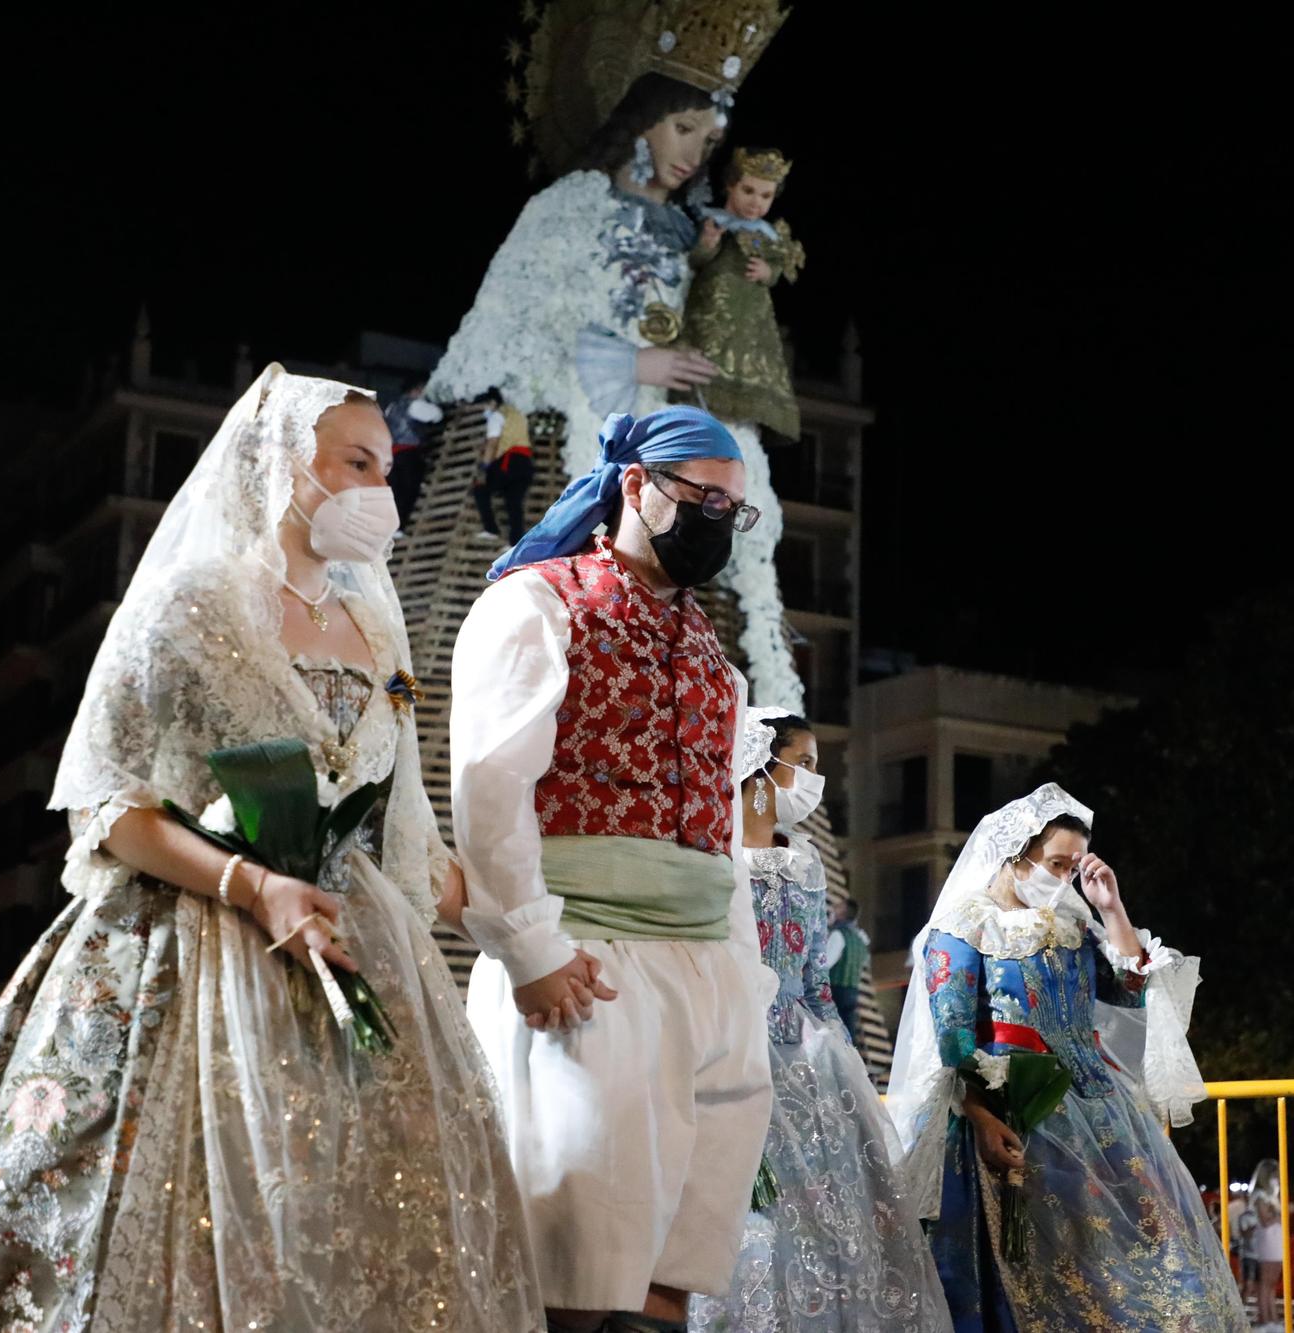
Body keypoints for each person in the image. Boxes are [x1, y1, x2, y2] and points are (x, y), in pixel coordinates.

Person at [0, 367, 543, 1332]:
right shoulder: (193, 604)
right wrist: (251, 884)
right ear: (280, 463)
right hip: (196, 940)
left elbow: (406, 830)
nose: (377, 490)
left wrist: (532, 944)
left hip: (360, 949)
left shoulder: (378, 629)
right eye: (353, 462)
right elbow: (105, 800)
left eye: (386, 467)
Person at [453, 406, 773, 1332]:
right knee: (577, 1264)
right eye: (702, 496)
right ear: (634, 483)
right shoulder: (539, 600)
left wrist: (742, 975)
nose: (718, 517)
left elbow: (719, 822)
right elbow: (488, 784)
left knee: (674, 1268)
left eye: (733, 506)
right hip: (590, 960)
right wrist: (529, 949)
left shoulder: (711, 650)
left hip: (706, 968)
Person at [429, 3, 804, 713]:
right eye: (684, 128)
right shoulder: (572, 205)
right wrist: (632, 367)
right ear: (642, 119)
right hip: (568, 443)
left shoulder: (693, 231)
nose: (696, 152)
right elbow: (507, 327)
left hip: (684, 467)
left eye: (709, 136)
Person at [885, 783, 1245, 1332]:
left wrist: (1112, 906)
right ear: (1017, 855)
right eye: (1056, 862)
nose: (1063, 877)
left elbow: (1130, 987)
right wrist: (983, 1116)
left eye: (1073, 866)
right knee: (1038, 1268)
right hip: (1011, 1111)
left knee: (1146, 1253)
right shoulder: (963, 927)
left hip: (1098, 1109)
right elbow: (953, 1040)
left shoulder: (1073, 924)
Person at [687, 710, 950, 1332]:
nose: (813, 780)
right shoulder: (709, 855)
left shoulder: (805, 862)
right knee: (749, 1226)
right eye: (802, 765)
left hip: (807, 1067)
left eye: (815, 766)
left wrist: (840, 1059)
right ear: (757, 767)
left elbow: (813, 980)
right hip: (727, 1056)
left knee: (830, 1227)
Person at [676, 146, 806, 440]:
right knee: (705, 370)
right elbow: (695, 262)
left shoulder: (767, 235)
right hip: (713, 309)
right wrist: (707, 244)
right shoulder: (714, 221)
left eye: (765, 196)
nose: (755, 203)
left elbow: (777, 270)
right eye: (748, 190)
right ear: (730, 185)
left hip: (750, 321)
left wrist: (767, 272)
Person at [475, 388, 536, 544]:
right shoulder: (518, 415)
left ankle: (491, 529)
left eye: (485, 405)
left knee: (480, 489)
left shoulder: (497, 416)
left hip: (509, 462)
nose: (484, 409)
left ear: (493, 403)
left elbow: (492, 443)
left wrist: (485, 466)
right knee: (513, 502)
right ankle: (514, 543)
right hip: (525, 462)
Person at [381, 379, 442, 528]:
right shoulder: (415, 405)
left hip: (390, 455)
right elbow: (436, 415)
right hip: (408, 452)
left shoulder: (391, 407)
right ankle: (399, 526)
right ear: (414, 391)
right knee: (409, 488)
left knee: (394, 491)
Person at [822, 895, 870, 1047]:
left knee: (832, 1031)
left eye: (837, 907)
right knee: (848, 1031)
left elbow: (826, 962)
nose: (833, 910)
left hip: (836, 990)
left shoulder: (838, 934)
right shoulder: (859, 939)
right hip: (852, 990)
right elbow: (864, 962)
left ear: (842, 913)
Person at [1250, 1159, 1285, 1331]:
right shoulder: (1259, 1195)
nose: (1278, 1178)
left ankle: (1273, 1318)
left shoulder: (1273, 1196)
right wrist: (1279, 1216)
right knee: (1265, 1282)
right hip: (1267, 1240)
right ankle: (1264, 1318)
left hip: (1277, 1240)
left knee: (1273, 1283)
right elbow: (1265, 1220)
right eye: (1275, 1175)